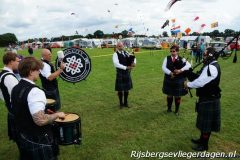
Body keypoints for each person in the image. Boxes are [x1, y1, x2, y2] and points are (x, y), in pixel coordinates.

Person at [11, 57, 65, 160]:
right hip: (38, 139)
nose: (39, 72)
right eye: (37, 70)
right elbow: (40, 120)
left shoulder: (15, 88)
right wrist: (57, 114)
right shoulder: (35, 92)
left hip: (23, 135)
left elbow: (22, 109)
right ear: (31, 72)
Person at [184, 47, 221, 151]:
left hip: (210, 99)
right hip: (206, 98)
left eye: (205, 54)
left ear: (210, 56)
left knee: (206, 125)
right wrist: (188, 73)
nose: (203, 56)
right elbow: (199, 78)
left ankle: (204, 145)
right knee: (204, 124)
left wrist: (188, 84)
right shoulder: (208, 66)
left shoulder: (212, 67)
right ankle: (201, 140)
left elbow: (200, 82)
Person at [162, 45, 191, 115]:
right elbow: (163, 67)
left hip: (178, 80)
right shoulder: (167, 58)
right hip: (169, 78)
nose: (172, 53)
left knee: (177, 95)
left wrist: (180, 70)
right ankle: (169, 108)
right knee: (169, 95)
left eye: (174, 51)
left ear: (177, 51)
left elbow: (189, 65)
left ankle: (177, 110)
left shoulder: (182, 59)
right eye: (171, 51)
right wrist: (170, 73)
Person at [0, 52, 20, 141]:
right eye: (17, 61)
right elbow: (17, 97)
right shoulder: (9, 77)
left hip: (11, 109)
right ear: (11, 62)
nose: (19, 63)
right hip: (16, 111)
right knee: (21, 138)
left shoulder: (3, 74)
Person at [113, 42, 136, 109]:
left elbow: (133, 58)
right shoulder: (115, 54)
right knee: (120, 89)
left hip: (127, 73)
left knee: (126, 89)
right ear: (117, 47)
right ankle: (121, 104)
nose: (120, 47)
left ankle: (125, 103)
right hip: (120, 73)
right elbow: (116, 64)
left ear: (123, 46)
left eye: (121, 46)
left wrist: (134, 63)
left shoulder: (126, 53)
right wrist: (126, 67)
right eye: (119, 46)